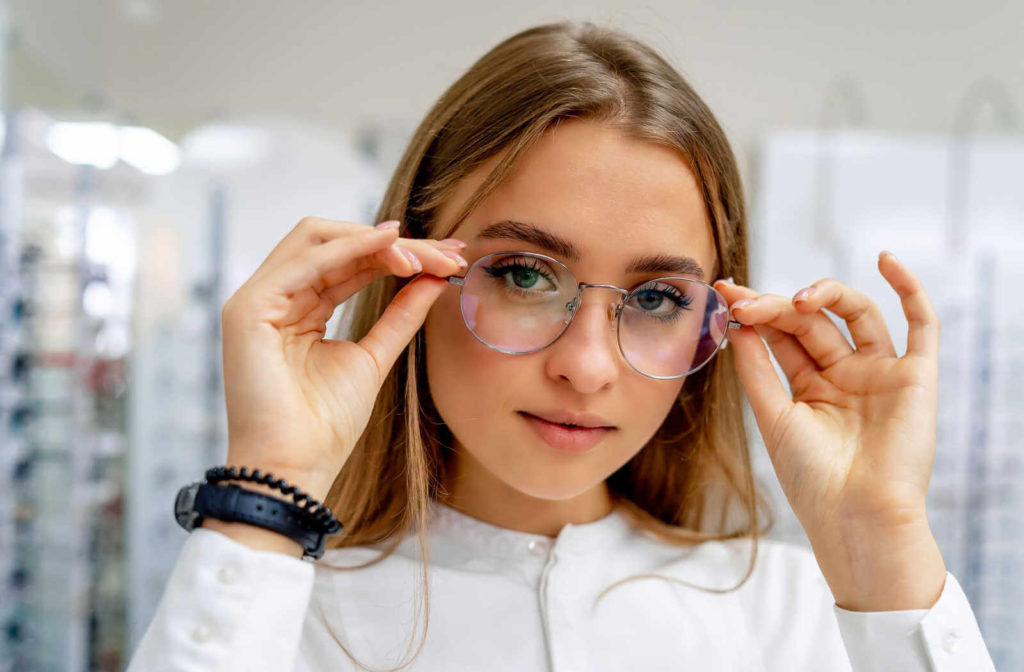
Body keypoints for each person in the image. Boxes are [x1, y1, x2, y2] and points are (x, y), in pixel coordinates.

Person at [126, 21, 995, 671]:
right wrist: (267, 486)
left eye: (656, 298)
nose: (586, 365)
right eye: (525, 275)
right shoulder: (263, 605)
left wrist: (882, 548)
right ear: (410, 273)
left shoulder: (800, 612)